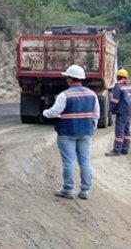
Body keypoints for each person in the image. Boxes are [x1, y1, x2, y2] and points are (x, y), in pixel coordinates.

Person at [43, 64, 100, 200]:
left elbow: (55, 112)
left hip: (67, 132)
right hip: (85, 132)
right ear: (81, 79)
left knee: (69, 162)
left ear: (69, 79)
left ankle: (68, 189)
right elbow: (96, 114)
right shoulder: (92, 94)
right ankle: (85, 190)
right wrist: (92, 128)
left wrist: (45, 113)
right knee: (85, 161)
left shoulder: (64, 95)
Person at [106, 68, 131, 156]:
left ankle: (116, 150)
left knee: (119, 131)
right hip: (129, 112)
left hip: (121, 112)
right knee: (127, 131)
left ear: (118, 77)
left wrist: (111, 110)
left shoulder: (118, 86)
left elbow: (115, 100)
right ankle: (125, 149)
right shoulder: (130, 86)